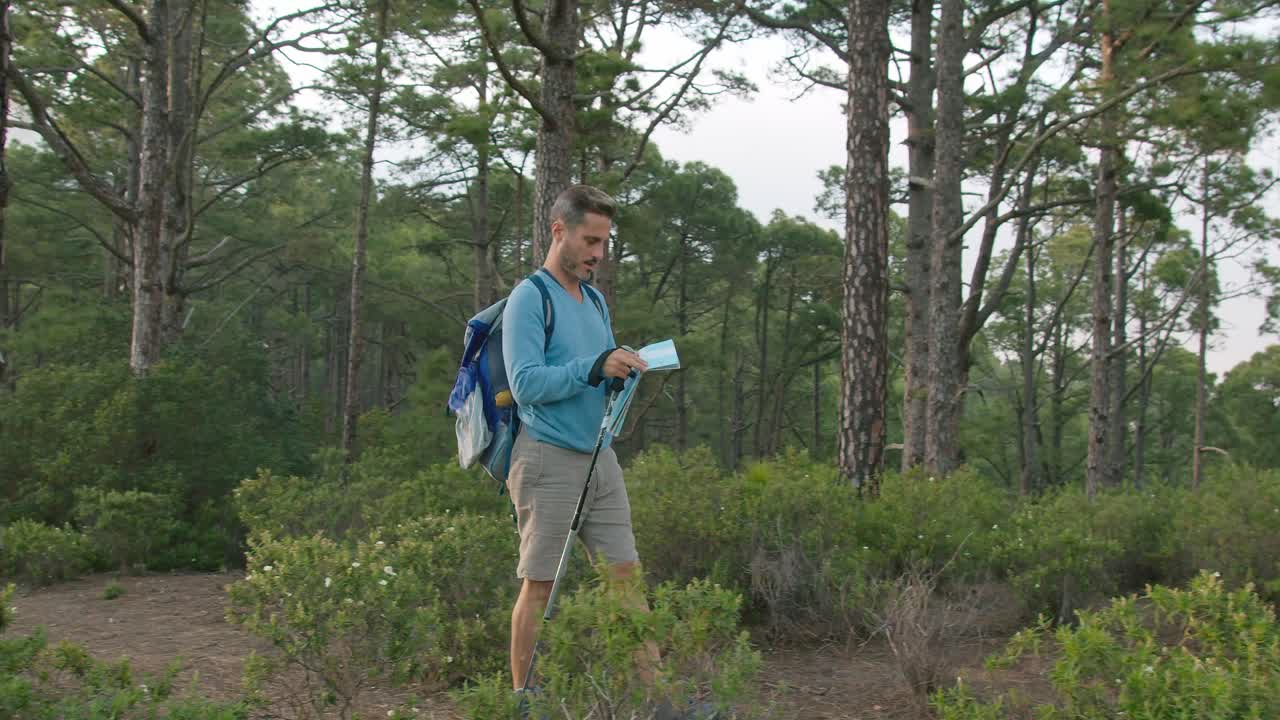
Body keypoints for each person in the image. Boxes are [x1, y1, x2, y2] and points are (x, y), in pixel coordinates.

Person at [502, 185, 650, 692]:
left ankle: (659, 699)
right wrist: (592, 367)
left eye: (605, 242)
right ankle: (525, 699)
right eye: (590, 241)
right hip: (547, 460)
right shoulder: (529, 297)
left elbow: (593, 369)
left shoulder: (595, 301)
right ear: (559, 231)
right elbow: (524, 384)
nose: (598, 254)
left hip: (599, 459)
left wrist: (616, 371)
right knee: (539, 586)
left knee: (625, 578)